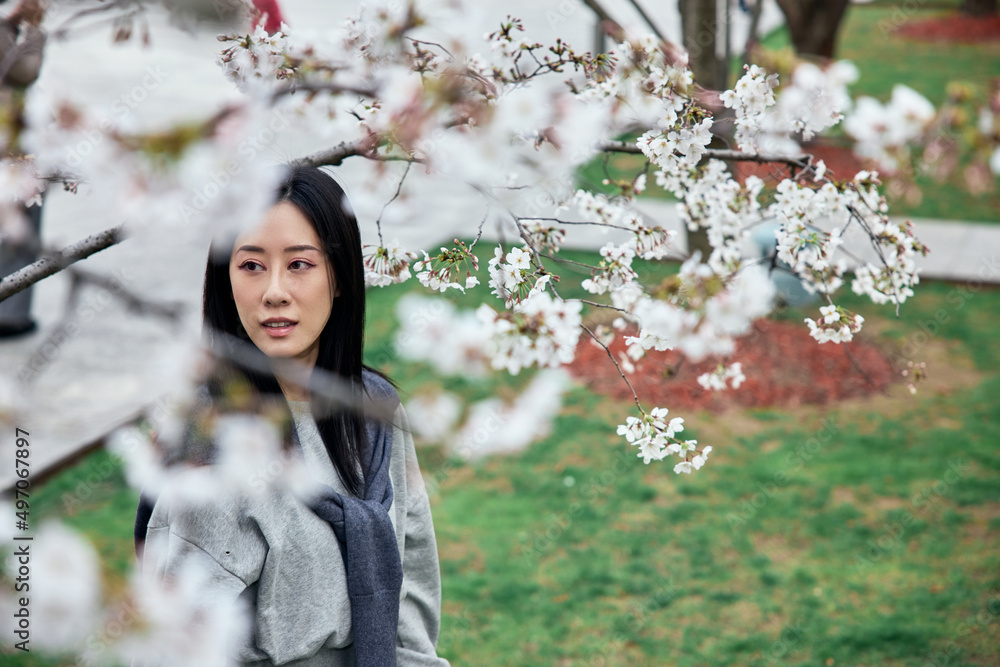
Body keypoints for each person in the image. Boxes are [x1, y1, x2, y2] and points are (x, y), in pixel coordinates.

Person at [133, 165, 450, 666]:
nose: (274, 291)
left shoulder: (375, 410)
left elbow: (411, 592)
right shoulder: (214, 443)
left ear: (339, 277)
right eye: (251, 265)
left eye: (299, 264)